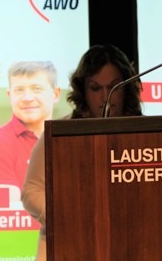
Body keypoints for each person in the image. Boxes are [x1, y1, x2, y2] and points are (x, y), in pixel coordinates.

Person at [21, 45, 143, 260]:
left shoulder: (147, 134)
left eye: (113, 87)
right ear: (82, 91)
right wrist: (67, 216)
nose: (105, 97)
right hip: (67, 244)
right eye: (95, 88)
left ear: (127, 88)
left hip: (134, 244)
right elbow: (31, 191)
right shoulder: (59, 133)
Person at [0, 61, 61, 202]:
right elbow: (7, 207)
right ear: (10, 95)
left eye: (37, 89)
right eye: (19, 90)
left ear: (55, 94)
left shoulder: (71, 141)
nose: (27, 98)